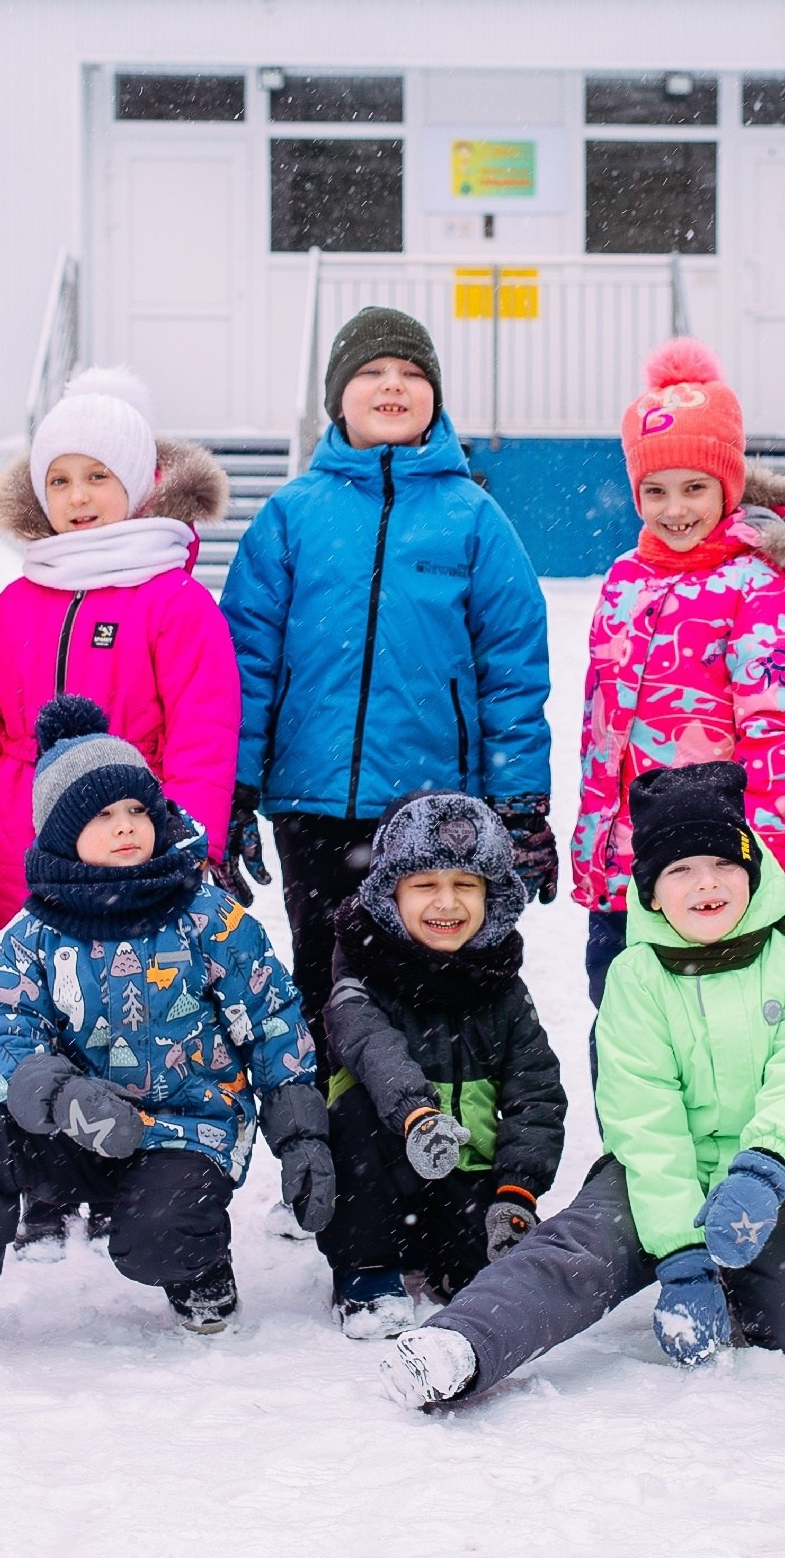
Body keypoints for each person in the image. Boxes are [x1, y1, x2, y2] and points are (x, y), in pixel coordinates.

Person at [379, 763, 785, 1408]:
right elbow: (644, 1114)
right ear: (653, 892)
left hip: (766, 1181)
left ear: (751, 870)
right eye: (680, 870)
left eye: (722, 864)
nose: (706, 883)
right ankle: (462, 1343)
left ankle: (743, 1281)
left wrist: (764, 1169)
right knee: (579, 1251)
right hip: (654, 1175)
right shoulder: (636, 976)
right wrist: (681, 1254)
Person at [0, 698, 332, 1358]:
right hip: (76, 1123)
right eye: (102, 815)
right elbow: (4, 1027)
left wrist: (299, 1131)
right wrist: (59, 1094)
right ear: (62, 834)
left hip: (189, 1128)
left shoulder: (208, 917)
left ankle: (197, 1271)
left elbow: (273, 1020)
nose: (125, 827)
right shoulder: (36, 933)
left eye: (137, 811)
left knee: (157, 1236)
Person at [0, 365, 239, 1255]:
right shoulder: (17, 601)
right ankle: (44, 1175)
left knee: (134, 1012)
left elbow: (202, 731)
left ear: (139, 483)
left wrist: (186, 843)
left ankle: (132, 1171)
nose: (78, 499)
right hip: (22, 854)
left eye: (98, 478)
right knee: (42, 1011)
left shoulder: (174, 601)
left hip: (133, 847)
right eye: (61, 479)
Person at [220, 308, 555, 1070]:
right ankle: (334, 1155)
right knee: (323, 976)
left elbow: (512, 671)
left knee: (430, 979)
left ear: (435, 396)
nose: (392, 386)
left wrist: (521, 801)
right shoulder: (291, 518)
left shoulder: (472, 517)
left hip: (433, 809)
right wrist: (233, 787)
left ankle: (427, 1152)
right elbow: (247, 664)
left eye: (411, 373)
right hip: (313, 804)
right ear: (339, 395)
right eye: (371, 372)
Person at [571, 338, 785, 1007]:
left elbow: (780, 732)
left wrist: (754, 862)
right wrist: (592, 846)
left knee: (713, 1041)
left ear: (727, 488)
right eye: (655, 490)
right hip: (623, 869)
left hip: (714, 874)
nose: (675, 510)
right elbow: (601, 730)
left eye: (695, 488)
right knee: (624, 1041)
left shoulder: (758, 586)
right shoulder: (624, 580)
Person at [316, 792, 566, 1338]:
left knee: (492, 1263)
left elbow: (537, 1094)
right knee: (354, 1110)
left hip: (461, 1173)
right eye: (425, 885)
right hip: (383, 1175)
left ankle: (458, 1259)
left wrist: (517, 1190)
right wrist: (418, 1117)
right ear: (390, 895)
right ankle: (366, 1270)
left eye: (465, 885)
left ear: (491, 896)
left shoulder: (500, 986)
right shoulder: (361, 974)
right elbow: (372, 1048)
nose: (446, 903)